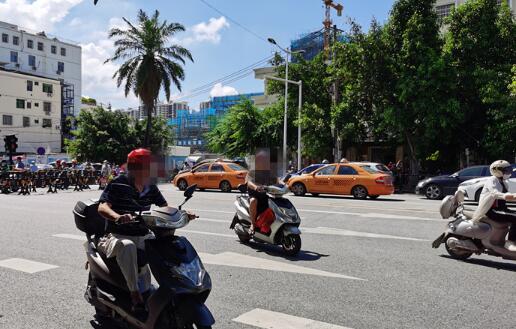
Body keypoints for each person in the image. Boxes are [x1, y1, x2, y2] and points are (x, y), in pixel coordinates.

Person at [97, 148, 195, 310]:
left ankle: (171, 287)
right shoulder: (118, 183)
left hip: (143, 234)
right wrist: (117, 217)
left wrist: (183, 213)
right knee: (127, 246)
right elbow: (102, 207)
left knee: (167, 245)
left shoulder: (150, 187)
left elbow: (164, 207)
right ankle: (134, 293)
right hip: (116, 235)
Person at [473, 160, 516, 251]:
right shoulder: (492, 180)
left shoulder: (504, 182)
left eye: (509, 170)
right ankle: (510, 242)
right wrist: (507, 196)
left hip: (501, 209)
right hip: (491, 210)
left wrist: (511, 196)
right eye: (506, 170)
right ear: (498, 170)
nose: (509, 172)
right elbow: (494, 193)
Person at [246, 149, 278, 235]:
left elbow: (276, 180)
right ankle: (252, 224)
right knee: (253, 201)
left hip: (265, 195)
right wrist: (255, 187)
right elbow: (249, 182)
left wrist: (285, 185)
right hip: (255, 194)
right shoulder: (253, 170)